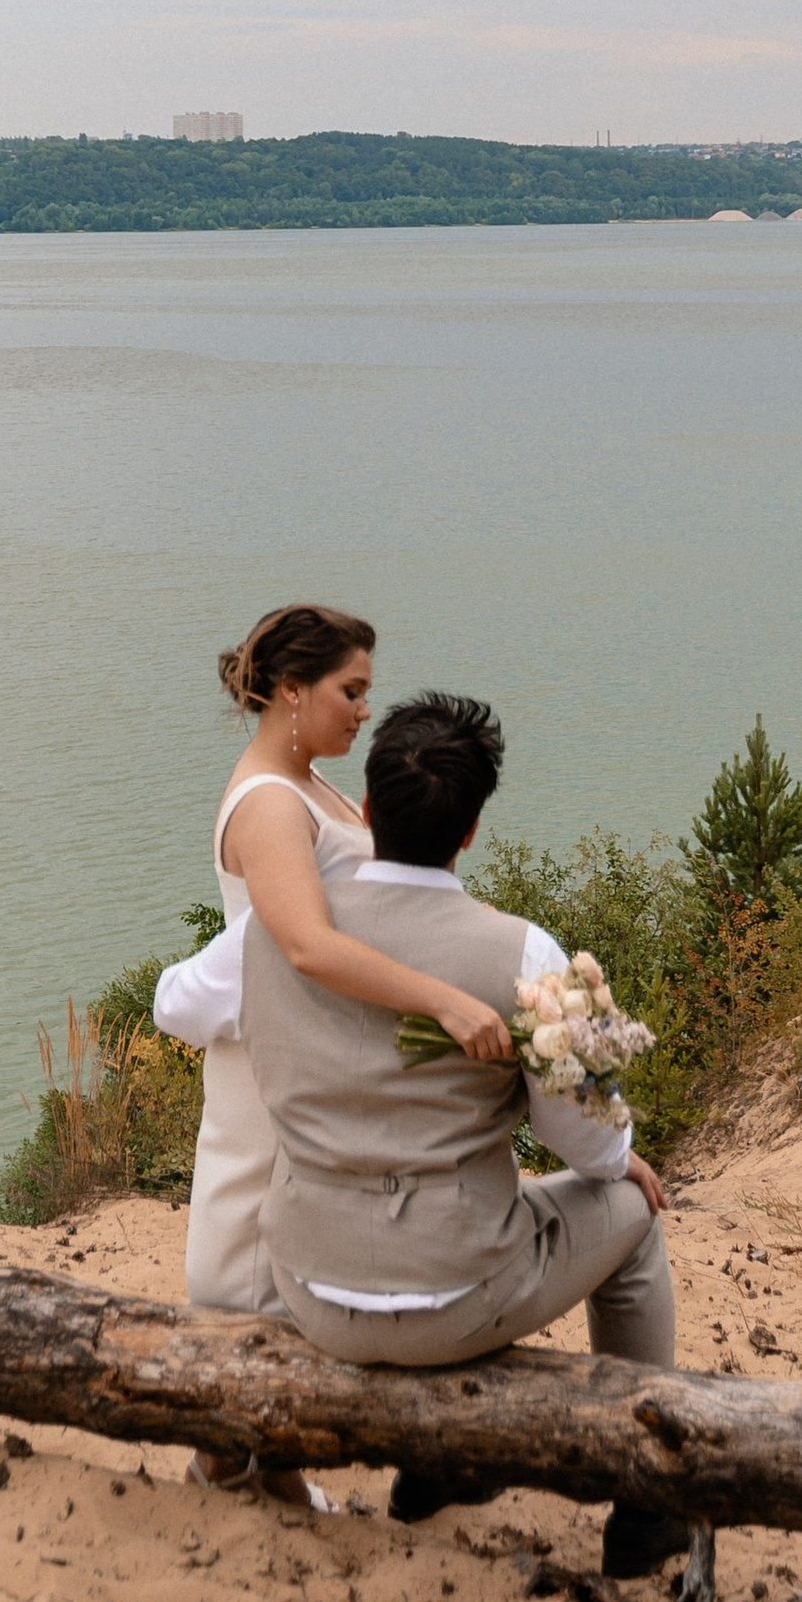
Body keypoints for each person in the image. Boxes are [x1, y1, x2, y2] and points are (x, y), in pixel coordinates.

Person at [240, 687, 686, 1580]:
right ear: (473, 830)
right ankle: (647, 1506)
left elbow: (186, 1007)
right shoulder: (521, 953)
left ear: (365, 812)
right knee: (631, 1215)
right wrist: (620, 1154)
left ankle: (436, 1472)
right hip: (453, 1298)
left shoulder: (278, 931)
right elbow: (581, 1143)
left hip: (309, 1287)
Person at [151, 606, 511, 1497]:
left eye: (365, 694)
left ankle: (261, 1464)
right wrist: (444, 998)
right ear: (289, 690)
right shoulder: (270, 802)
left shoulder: (307, 782)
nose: (361, 712)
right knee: (247, 1250)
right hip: (275, 1056)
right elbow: (306, 945)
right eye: (350, 692)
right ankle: (223, 1460)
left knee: (290, 1243)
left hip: (315, 1044)